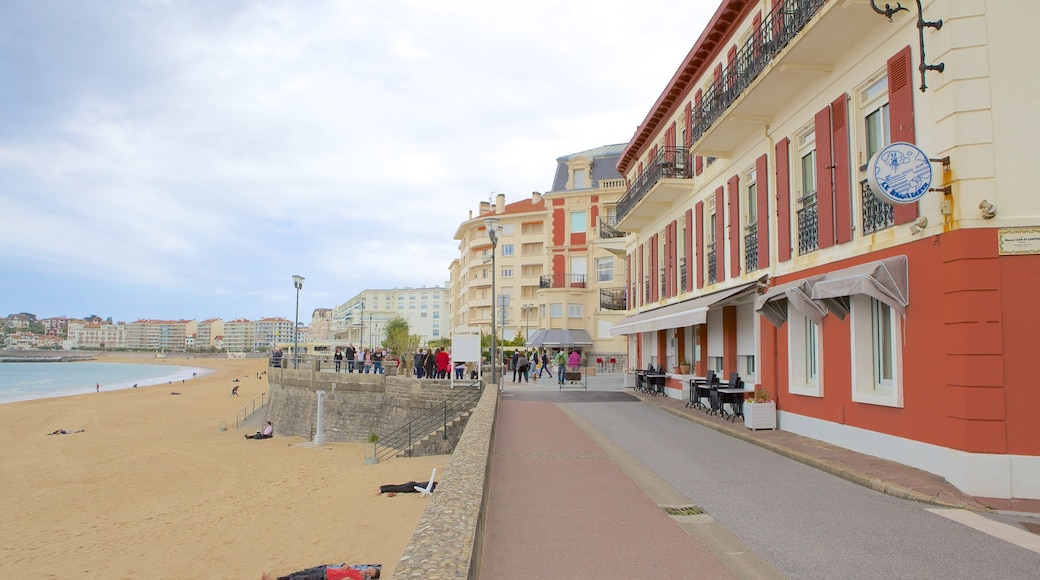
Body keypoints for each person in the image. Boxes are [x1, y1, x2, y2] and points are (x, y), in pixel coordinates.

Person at [262, 563, 380, 580]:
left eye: (371, 573)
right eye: (370, 570)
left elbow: (346, 576)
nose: (369, 571)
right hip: (325, 570)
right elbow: (346, 567)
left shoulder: (360, 578)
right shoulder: (359, 570)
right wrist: (347, 566)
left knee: (297, 579)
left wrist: (347, 570)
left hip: (325, 577)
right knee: (298, 573)